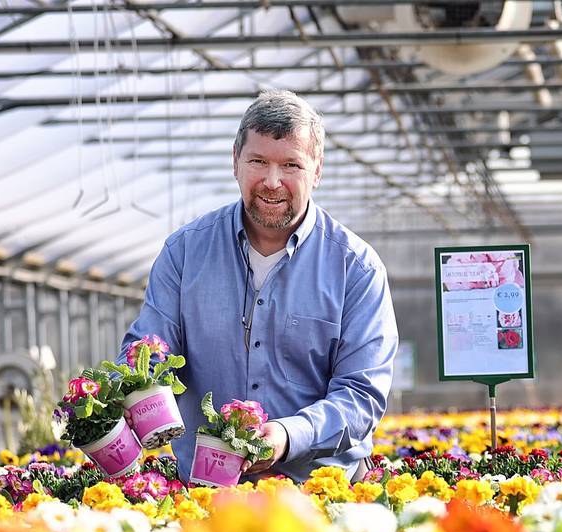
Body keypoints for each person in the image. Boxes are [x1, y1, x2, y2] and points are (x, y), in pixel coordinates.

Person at [119, 89, 398, 483]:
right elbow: (149, 349)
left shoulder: (356, 267)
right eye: (258, 161)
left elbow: (361, 394)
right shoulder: (184, 253)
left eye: (291, 165)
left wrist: (288, 435)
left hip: (321, 494)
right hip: (207, 496)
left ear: (317, 171)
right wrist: (119, 395)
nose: (272, 181)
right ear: (235, 163)